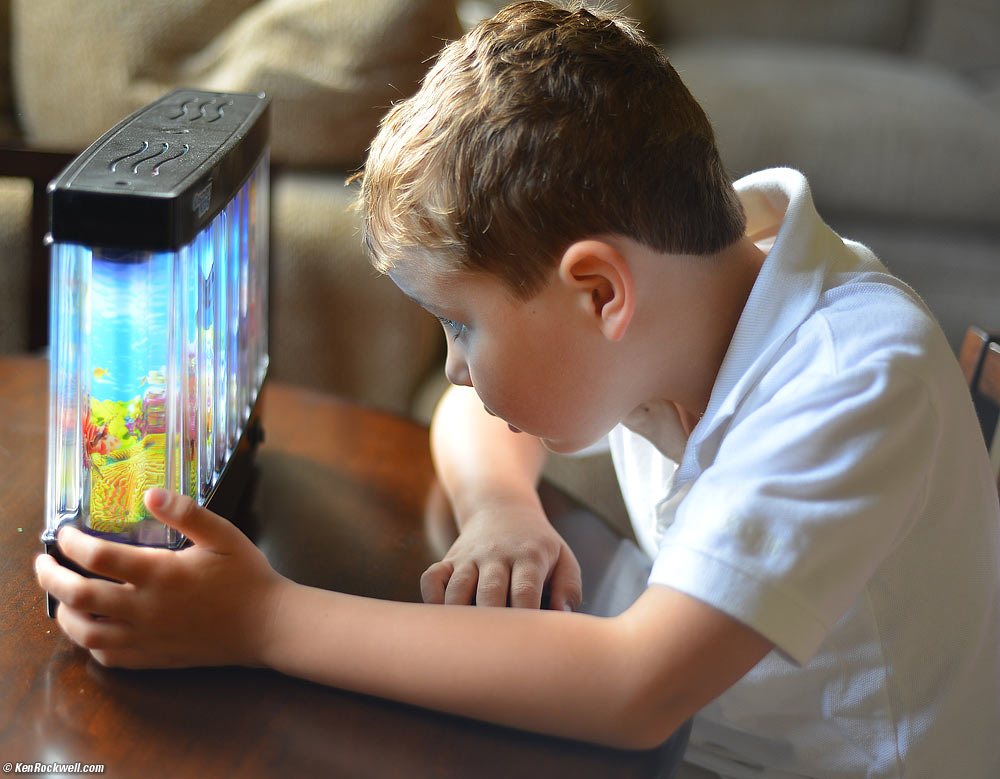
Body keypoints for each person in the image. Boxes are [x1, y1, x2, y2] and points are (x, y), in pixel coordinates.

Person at [36, 2, 1000, 776]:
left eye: (462, 325)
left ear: (597, 291)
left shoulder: (852, 378)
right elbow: (477, 409)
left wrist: (261, 618)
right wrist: (502, 511)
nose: (453, 365)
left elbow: (634, 687)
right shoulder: (690, 277)